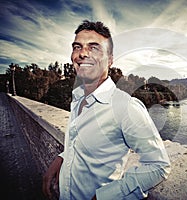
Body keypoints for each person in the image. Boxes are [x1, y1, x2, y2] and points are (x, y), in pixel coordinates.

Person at [42, 20, 171, 200]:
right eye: (77, 47)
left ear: (110, 60)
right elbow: (80, 143)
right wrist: (61, 159)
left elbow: (159, 166)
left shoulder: (125, 107)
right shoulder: (78, 98)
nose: (82, 54)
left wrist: (105, 196)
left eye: (94, 48)